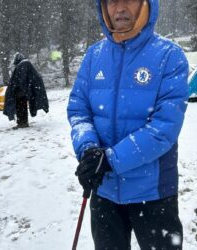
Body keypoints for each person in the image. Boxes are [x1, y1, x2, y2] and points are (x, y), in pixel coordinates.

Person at [67, 0, 189, 249]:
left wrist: (110, 159)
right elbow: (79, 111)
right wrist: (89, 149)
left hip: (153, 192)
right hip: (104, 190)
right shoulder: (93, 56)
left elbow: (164, 127)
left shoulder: (169, 56)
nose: (119, 8)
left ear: (146, 5)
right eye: (112, 1)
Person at [3, 53, 49, 129]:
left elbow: (22, 79)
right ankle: (23, 122)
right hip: (24, 91)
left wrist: (20, 89)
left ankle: (22, 123)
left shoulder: (22, 65)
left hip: (21, 92)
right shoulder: (26, 64)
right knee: (22, 107)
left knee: (20, 107)